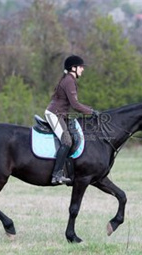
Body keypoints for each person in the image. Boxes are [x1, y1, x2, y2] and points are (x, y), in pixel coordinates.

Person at [45, 55, 97, 184]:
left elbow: (73, 105)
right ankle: (56, 175)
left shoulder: (70, 80)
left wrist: (90, 110)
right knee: (67, 141)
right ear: (73, 68)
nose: (82, 69)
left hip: (61, 114)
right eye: (81, 67)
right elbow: (75, 105)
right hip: (54, 114)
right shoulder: (69, 81)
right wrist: (91, 112)